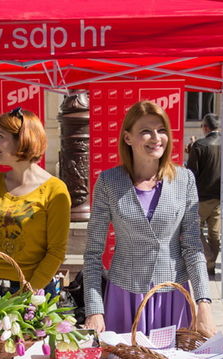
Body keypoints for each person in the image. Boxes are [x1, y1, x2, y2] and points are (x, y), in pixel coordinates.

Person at [82, 100, 214, 336]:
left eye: (161, 130)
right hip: (124, 297)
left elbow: (193, 247)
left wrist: (203, 302)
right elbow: (93, 253)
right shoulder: (109, 182)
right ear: (128, 138)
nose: (156, 138)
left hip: (173, 296)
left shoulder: (184, 180)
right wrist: (94, 309)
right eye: (146, 131)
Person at [0, 108, 70, 295]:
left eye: (0, 136)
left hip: (36, 292)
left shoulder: (55, 190)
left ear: (23, 140)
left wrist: (28, 294)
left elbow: (56, 251)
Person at [186, 113, 223, 276]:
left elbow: (191, 173)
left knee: (194, 229)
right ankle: (211, 263)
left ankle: (208, 257)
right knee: (214, 233)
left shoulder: (199, 145)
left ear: (205, 127)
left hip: (201, 195)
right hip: (218, 195)